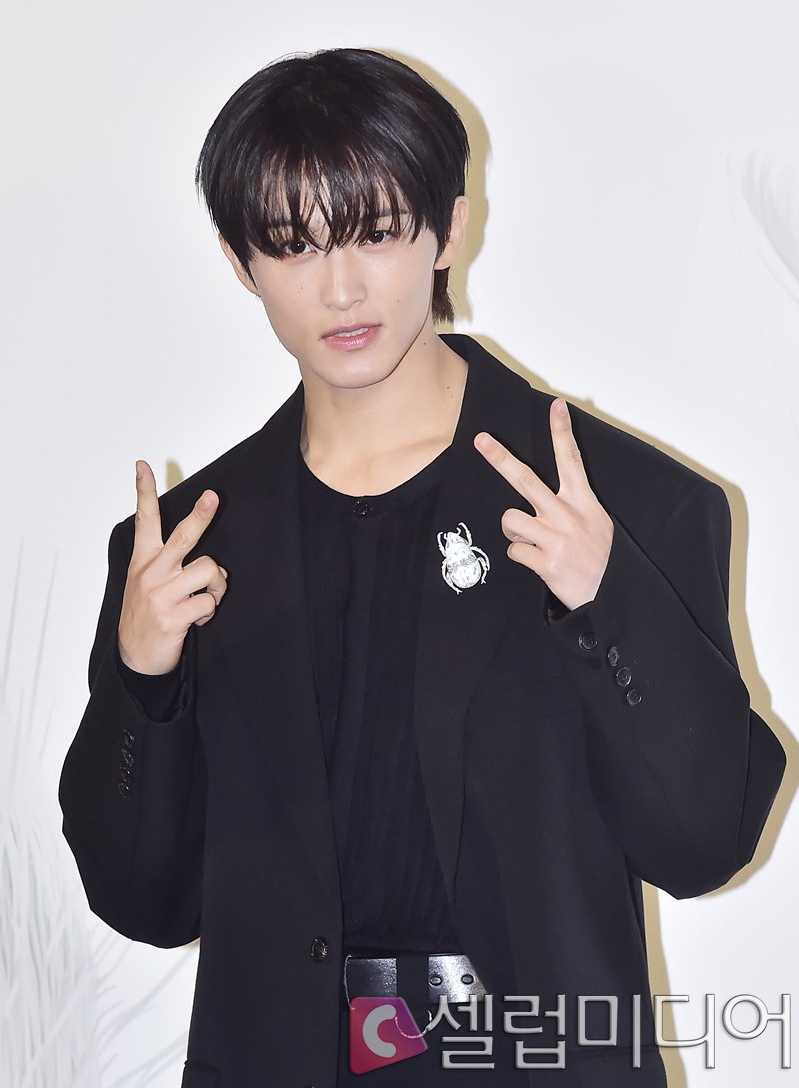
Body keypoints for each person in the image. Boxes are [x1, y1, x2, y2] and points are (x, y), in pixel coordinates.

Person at [59, 47, 786, 1088]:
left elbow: (704, 843)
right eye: (293, 246)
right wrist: (144, 682)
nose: (341, 287)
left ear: (449, 227)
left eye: (377, 232)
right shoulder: (188, 548)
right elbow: (144, 902)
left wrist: (608, 602)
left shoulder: (615, 501)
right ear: (238, 262)